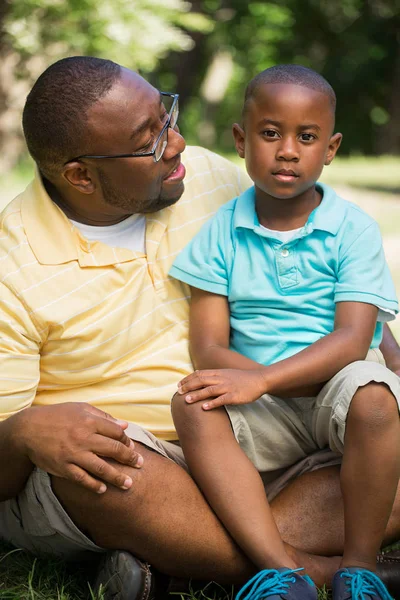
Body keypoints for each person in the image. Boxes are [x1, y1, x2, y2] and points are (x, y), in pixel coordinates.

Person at [0, 57, 399, 600]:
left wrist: (385, 372)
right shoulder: (11, 266)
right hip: (143, 463)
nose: (177, 143)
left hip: (261, 428)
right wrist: (24, 435)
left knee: (384, 431)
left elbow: (334, 290)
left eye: (166, 115)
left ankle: (179, 561)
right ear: (81, 175)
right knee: (99, 471)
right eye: (149, 140)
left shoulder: (208, 179)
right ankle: (323, 572)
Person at [170, 65, 400, 600]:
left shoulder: (354, 230)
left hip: (342, 390)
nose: (288, 151)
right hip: (265, 406)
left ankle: (359, 571)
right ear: (241, 140)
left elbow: (352, 340)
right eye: (270, 134)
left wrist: (268, 379)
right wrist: (261, 385)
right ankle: (282, 571)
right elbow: (209, 348)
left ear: (332, 148)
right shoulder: (220, 234)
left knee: (372, 393)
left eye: (307, 137)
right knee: (191, 402)